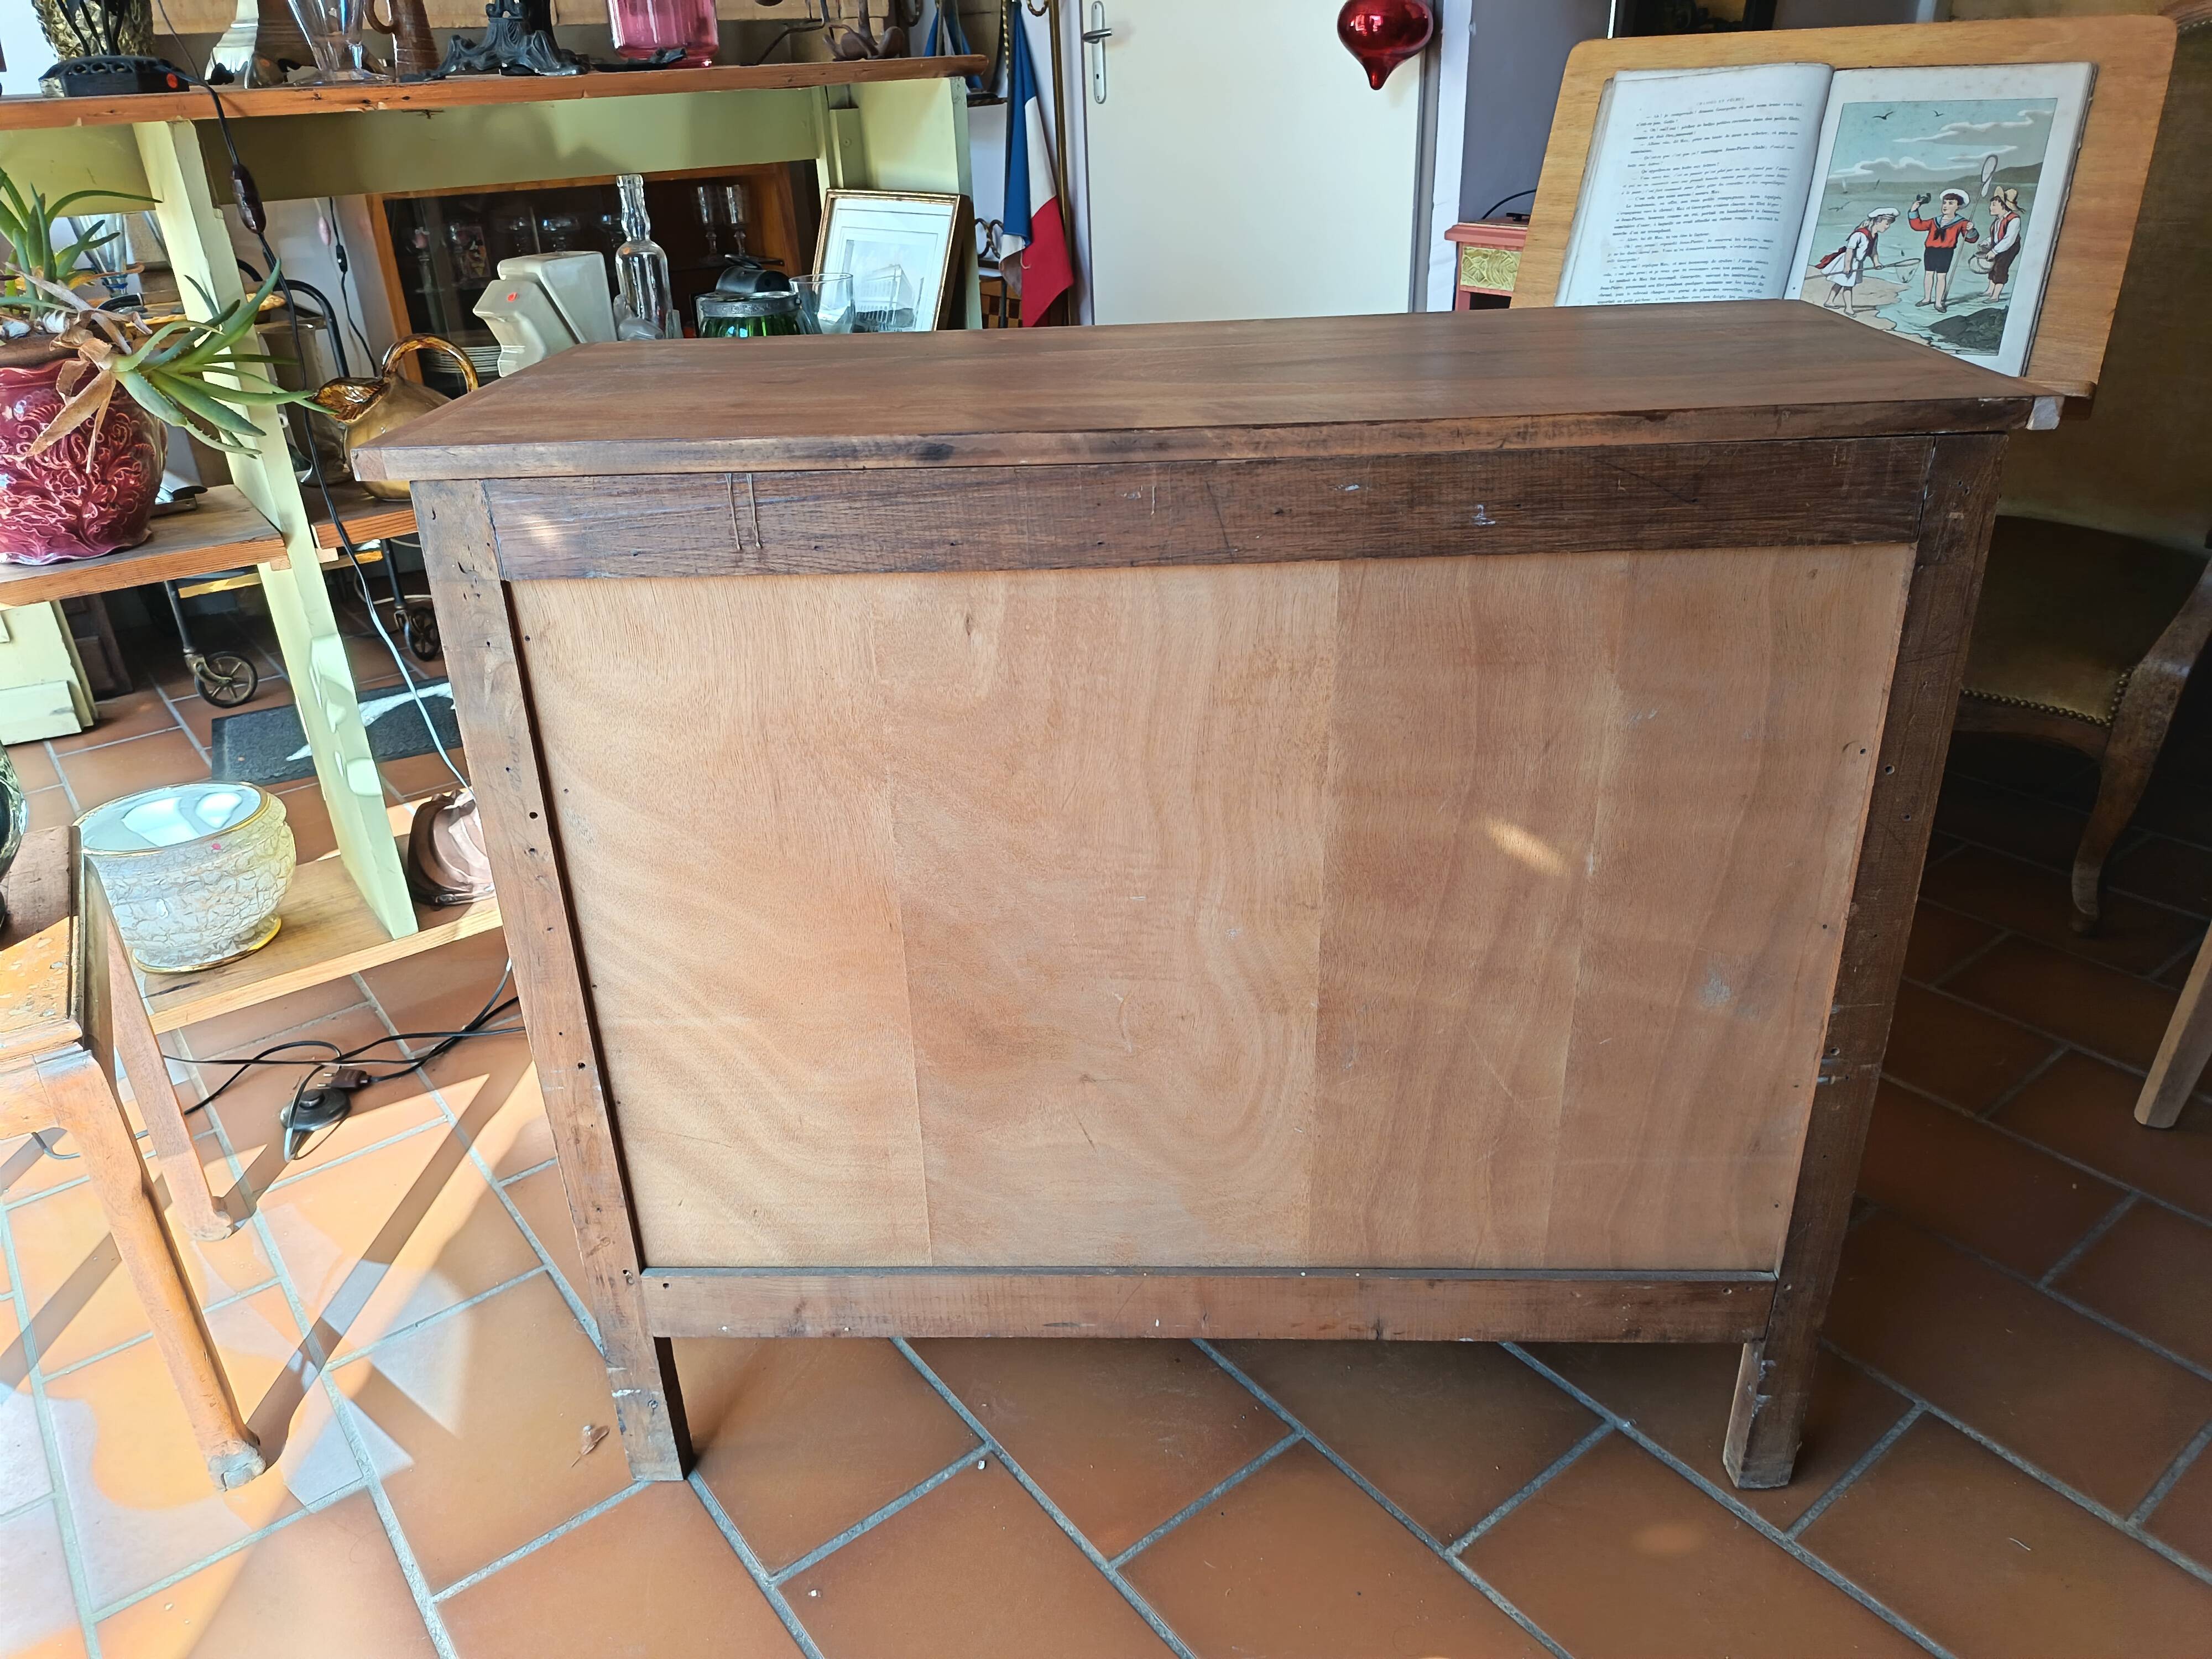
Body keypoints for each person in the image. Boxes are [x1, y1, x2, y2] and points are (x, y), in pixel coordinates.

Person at [1814, 207, 1898, 316]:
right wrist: (1847, 266)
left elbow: (1873, 251)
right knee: (1848, 285)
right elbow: (1850, 251)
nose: (1888, 227)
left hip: (1857, 263)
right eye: (1887, 223)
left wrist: (1876, 263)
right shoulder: (1859, 235)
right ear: (1877, 222)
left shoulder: (1875, 236)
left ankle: (1829, 301)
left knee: (1840, 283)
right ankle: (1849, 309)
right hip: (1848, 261)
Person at [1908, 187, 1979, 312]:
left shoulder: (1962, 222)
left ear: (1958, 206)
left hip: (1946, 252)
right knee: (1928, 274)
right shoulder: (1934, 221)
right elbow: (1917, 226)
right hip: (1930, 251)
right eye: (1945, 203)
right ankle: (1927, 298)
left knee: (1941, 277)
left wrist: (1971, 230)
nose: (1946, 206)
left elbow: (1971, 240)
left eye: (1951, 203)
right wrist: (1914, 210)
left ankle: (1939, 303)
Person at [1981, 186, 2023, 301]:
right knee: (1992, 267)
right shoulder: (1998, 220)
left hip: (2010, 248)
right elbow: (1996, 236)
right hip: (1999, 246)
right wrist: (1987, 242)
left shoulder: (2014, 219)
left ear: (2003, 206)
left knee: (2001, 268)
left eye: (1994, 205)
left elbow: (2009, 240)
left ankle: (1996, 296)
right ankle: (1990, 290)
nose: (1991, 207)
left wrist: (1994, 251)